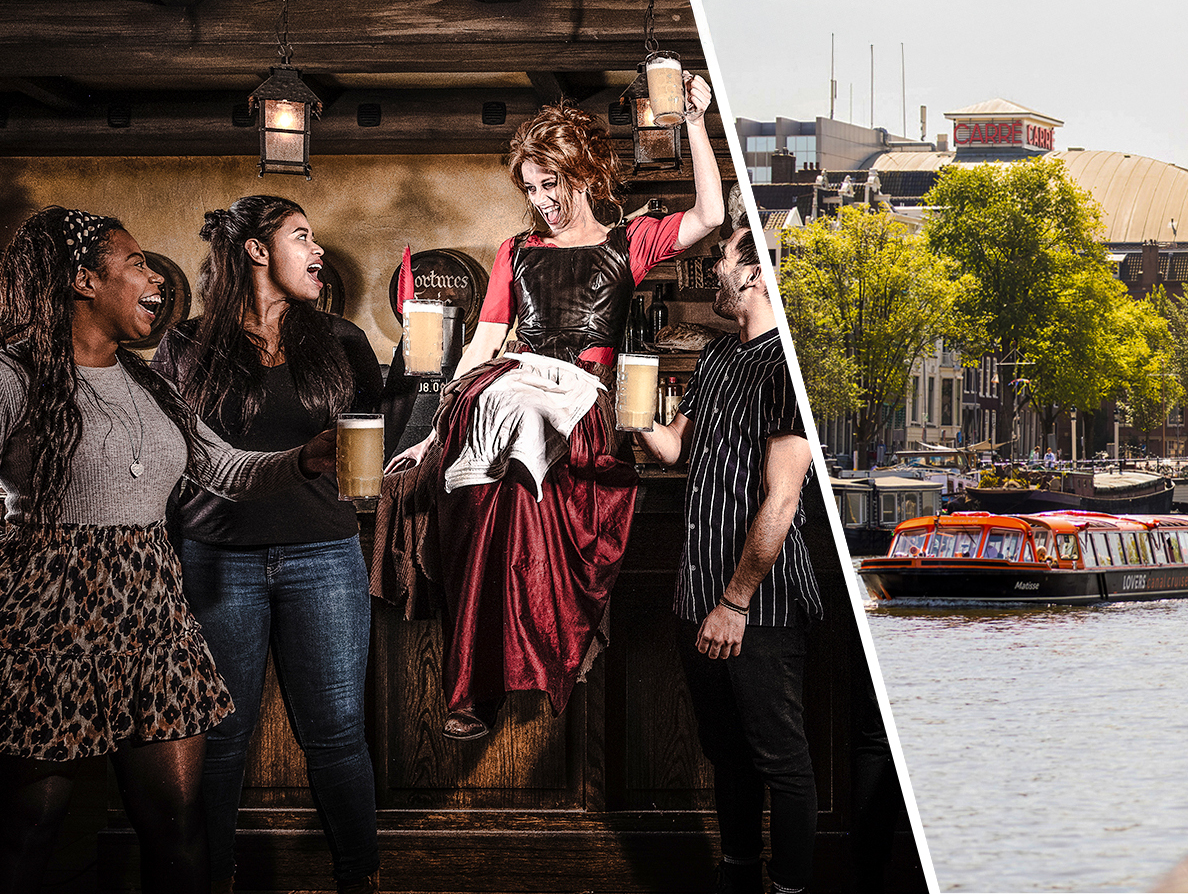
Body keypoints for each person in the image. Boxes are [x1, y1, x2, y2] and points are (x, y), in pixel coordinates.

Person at [0, 207, 335, 893]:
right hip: (44, 624)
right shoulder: (13, 375)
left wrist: (305, 459)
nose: (157, 278)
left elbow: (226, 470)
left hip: (152, 616)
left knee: (178, 824)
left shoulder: (150, 382)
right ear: (84, 280)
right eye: (136, 265)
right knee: (29, 826)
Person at [388, 73, 724, 740]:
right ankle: (476, 682)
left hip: (583, 398)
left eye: (553, 185)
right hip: (517, 384)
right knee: (475, 485)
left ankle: (544, 649)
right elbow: (483, 345)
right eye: (531, 188)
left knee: (520, 429)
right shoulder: (515, 252)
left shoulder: (628, 241)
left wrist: (694, 121)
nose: (542, 200)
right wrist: (432, 435)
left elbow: (711, 216)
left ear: (587, 176)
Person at [152, 197, 384, 894]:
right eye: (301, 237)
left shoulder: (342, 340)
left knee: (338, 736)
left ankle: (360, 879)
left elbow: (383, 437)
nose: (318, 251)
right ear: (256, 250)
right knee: (219, 741)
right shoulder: (186, 345)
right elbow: (170, 460)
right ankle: (210, 878)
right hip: (217, 558)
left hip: (325, 555)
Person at [637, 226, 820, 894]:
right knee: (726, 754)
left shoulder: (785, 366)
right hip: (697, 597)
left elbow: (782, 499)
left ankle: (791, 887)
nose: (712, 268)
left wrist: (736, 602)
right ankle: (738, 875)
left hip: (757, 606)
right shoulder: (715, 357)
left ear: (755, 276)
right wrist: (617, 402)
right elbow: (671, 450)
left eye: (723, 259)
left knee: (781, 760)